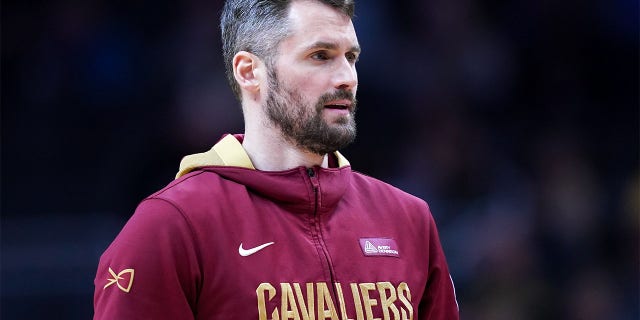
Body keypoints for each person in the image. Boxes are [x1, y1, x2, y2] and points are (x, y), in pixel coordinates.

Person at [93, 0, 460, 319]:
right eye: (320, 56)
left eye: (351, 57)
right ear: (249, 72)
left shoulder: (409, 221)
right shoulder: (171, 227)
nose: (347, 77)